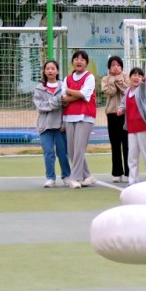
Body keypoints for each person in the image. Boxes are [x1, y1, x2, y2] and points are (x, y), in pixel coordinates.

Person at [33, 59, 72, 188]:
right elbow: (40, 107)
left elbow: (66, 104)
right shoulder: (39, 88)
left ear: (57, 71)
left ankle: (66, 176)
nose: (50, 70)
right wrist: (56, 101)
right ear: (44, 71)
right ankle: (50, 178)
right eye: (47, 68)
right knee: (48, 152)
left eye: (53, 68)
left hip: (60, 125)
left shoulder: (64, 86)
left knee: (63, 152)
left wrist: (64, 122)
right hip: (45, 126)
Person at [62, 51, 98, 188]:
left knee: (79, 149)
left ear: (86, 63)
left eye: (82, 59)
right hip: (69, 116)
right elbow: (63, 96)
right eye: (76, 59)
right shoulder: (68, 78)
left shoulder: (90, 77)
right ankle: (88, 176)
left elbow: (84, 94)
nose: (79, 61)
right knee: (72, 150)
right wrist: (76, 94)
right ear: (73, 62)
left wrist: (70, 92)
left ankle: (75, 178)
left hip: (85, 117)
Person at [100, 55, 130, 182]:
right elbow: (109, 92)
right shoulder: (105, 79)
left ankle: (129, 172)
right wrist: (113, 80)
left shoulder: (127, 76)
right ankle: (117, 173)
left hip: (125, 113)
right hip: (112, 113)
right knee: (115, 144)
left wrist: (119, 80)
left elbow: (126, 90)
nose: (115, 67)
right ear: (109, 67)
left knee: (127, 144)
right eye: (113, 65)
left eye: (118, 65)